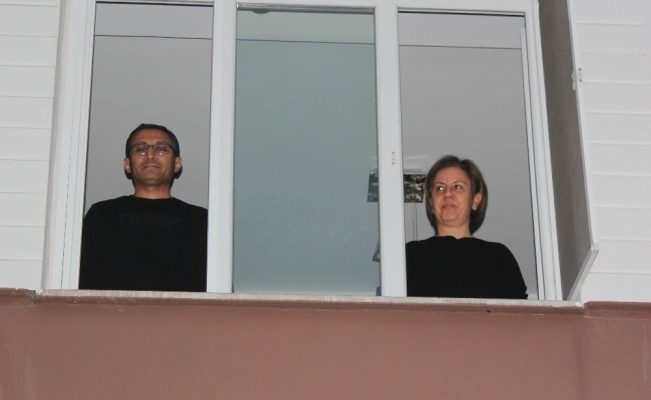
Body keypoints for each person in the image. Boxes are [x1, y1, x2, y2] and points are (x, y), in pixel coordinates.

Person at [79, 123, 207, 291]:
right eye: (141, 149)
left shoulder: (200, 220)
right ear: (127, 164)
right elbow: (80, 279)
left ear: (177, 163)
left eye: (161, 149)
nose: (150, 155)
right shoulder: (102, 216)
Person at [406, 155, 527, 299]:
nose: (447, 194)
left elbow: (519, 309)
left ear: (475, 200)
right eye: (439, 188)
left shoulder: (498, 257)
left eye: (457, 187)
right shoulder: (411, 254)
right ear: (431, 204)